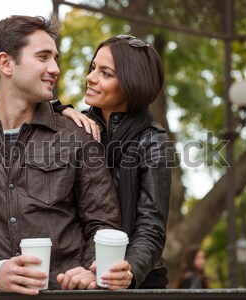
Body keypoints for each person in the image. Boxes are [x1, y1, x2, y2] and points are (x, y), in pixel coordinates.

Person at [0, 15, 122, 296]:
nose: (55, 69)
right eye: (43, 57)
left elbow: (103, 222)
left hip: (67, 293)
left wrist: (89, 271)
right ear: (6, 63)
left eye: (55, 58)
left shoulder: (79, 137)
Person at [55, 34, 171, 290]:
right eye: (93, 67)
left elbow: (151, 225)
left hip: (134, 280)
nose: (91, 77)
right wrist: (56, 108)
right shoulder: (73, 125)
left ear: (132, 84)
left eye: (106, 73)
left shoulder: (153, 140)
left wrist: (129, 268)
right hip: (77, 274)